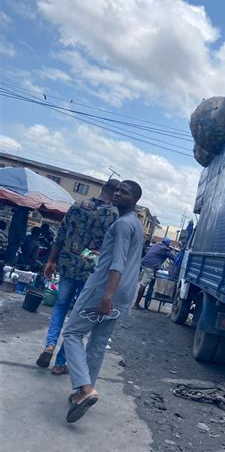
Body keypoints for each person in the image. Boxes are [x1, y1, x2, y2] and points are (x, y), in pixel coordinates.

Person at [63, 180, 144, 423]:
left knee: (72, 334)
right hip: (123, 293)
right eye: (117, 190)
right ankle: (82, 394)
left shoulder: (121, 224)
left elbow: (117, 263)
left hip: (103, 290)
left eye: (124, 192)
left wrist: (106, 296)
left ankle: (86, 388)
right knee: (98, 342)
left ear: (135, 199)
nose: (118, 194)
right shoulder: (136, 225)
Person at [36, 179, 119, 374]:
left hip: (67, 265)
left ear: (102, 190)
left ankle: (50, 344)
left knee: (60, 306)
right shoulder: (113, 215)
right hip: (92, 272)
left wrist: (50, 260)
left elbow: (61, 235)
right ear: (115, 194)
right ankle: (60, 363)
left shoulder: (77, 206)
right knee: (78, 316)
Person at [134, 237, 176, 309]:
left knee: (143, 282)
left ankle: (138, 301)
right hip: (150, 267)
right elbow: (175, 258)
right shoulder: (165, 249)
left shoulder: (156, 245)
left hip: (143, 263)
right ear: (168, 244)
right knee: (143, 284)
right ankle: (136, 304)